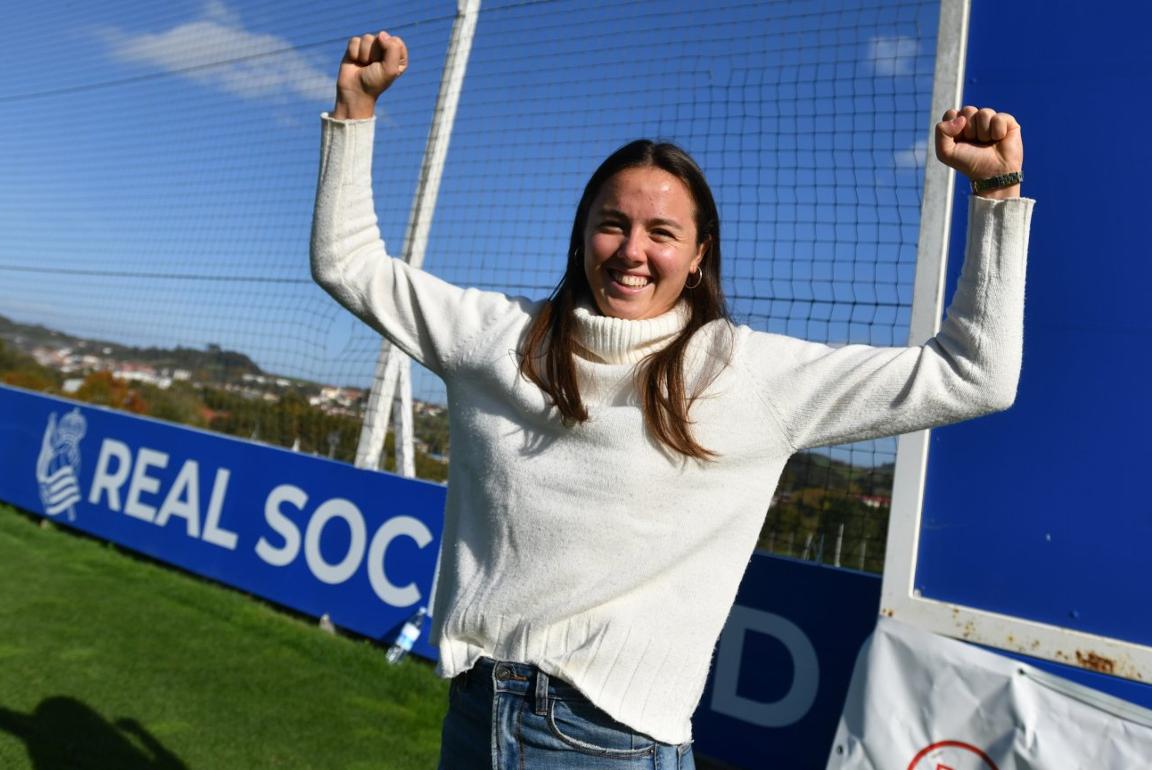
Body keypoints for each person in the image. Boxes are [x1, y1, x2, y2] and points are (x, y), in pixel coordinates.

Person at [312, 31, 1033, 770]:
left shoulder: (748, 374)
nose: (632, 251)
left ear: (697, 257)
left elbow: (974, 372)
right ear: (582, 236)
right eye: (612, 225)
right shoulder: (496, 338)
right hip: (472, 715)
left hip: (610, 748)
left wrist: (994, 194)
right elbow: (349, 262)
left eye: (661, 232)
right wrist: (355, 108)